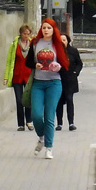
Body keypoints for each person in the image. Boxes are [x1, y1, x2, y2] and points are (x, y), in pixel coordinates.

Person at [26, 18, 69, 160]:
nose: (46, 30)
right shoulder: (35, 43)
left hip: (54, 83)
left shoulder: (58, 45)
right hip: (38, 83)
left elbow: (66, 64)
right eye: (44, 28)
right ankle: (42, 137)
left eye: (49, 28)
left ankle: (49, 148)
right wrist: (35, 65)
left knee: (49, 116)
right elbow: (28, 62)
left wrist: (59, 67)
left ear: (53, 30)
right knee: (36, 115)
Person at [3, 23, 34, 131]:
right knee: (19, 100)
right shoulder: (14, 45)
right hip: (17, 76)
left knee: (28, 99)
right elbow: (9, 61)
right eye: (24, 34)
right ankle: (20, 124)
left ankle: (29, 121)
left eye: (28, 34)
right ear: (20, 34)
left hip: (29, 76)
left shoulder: (32, 44)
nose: (26, 36)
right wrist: (6, 76)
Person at [55, 32, 83, 131]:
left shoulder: (73, 51)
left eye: (64, 40)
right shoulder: (56, 51)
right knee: (59, 102)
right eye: (60, 40)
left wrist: (76, 72)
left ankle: (71, 123)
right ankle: (59, 124)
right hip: (58, 79)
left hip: (70, 79)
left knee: (69, 99)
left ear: (68, 41)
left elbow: (79, 63)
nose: (62, 42)